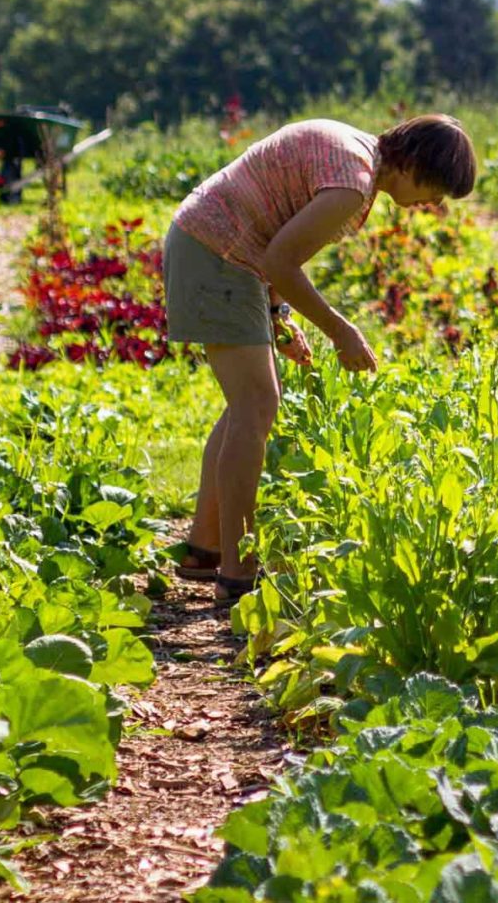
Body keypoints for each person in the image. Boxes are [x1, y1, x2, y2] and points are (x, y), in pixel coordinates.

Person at [165, 114, 478, 603]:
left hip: (218, 248)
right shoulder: (351, 184)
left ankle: (204, 550)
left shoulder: (353, 155)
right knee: (256, 406)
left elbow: (270, 234)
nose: (433, 204)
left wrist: (278, 317)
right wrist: (341, 332)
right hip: (216, 252)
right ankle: (237, 571)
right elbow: (277, 260)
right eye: (437, 188)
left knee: (249, 405)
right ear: (414, 163)